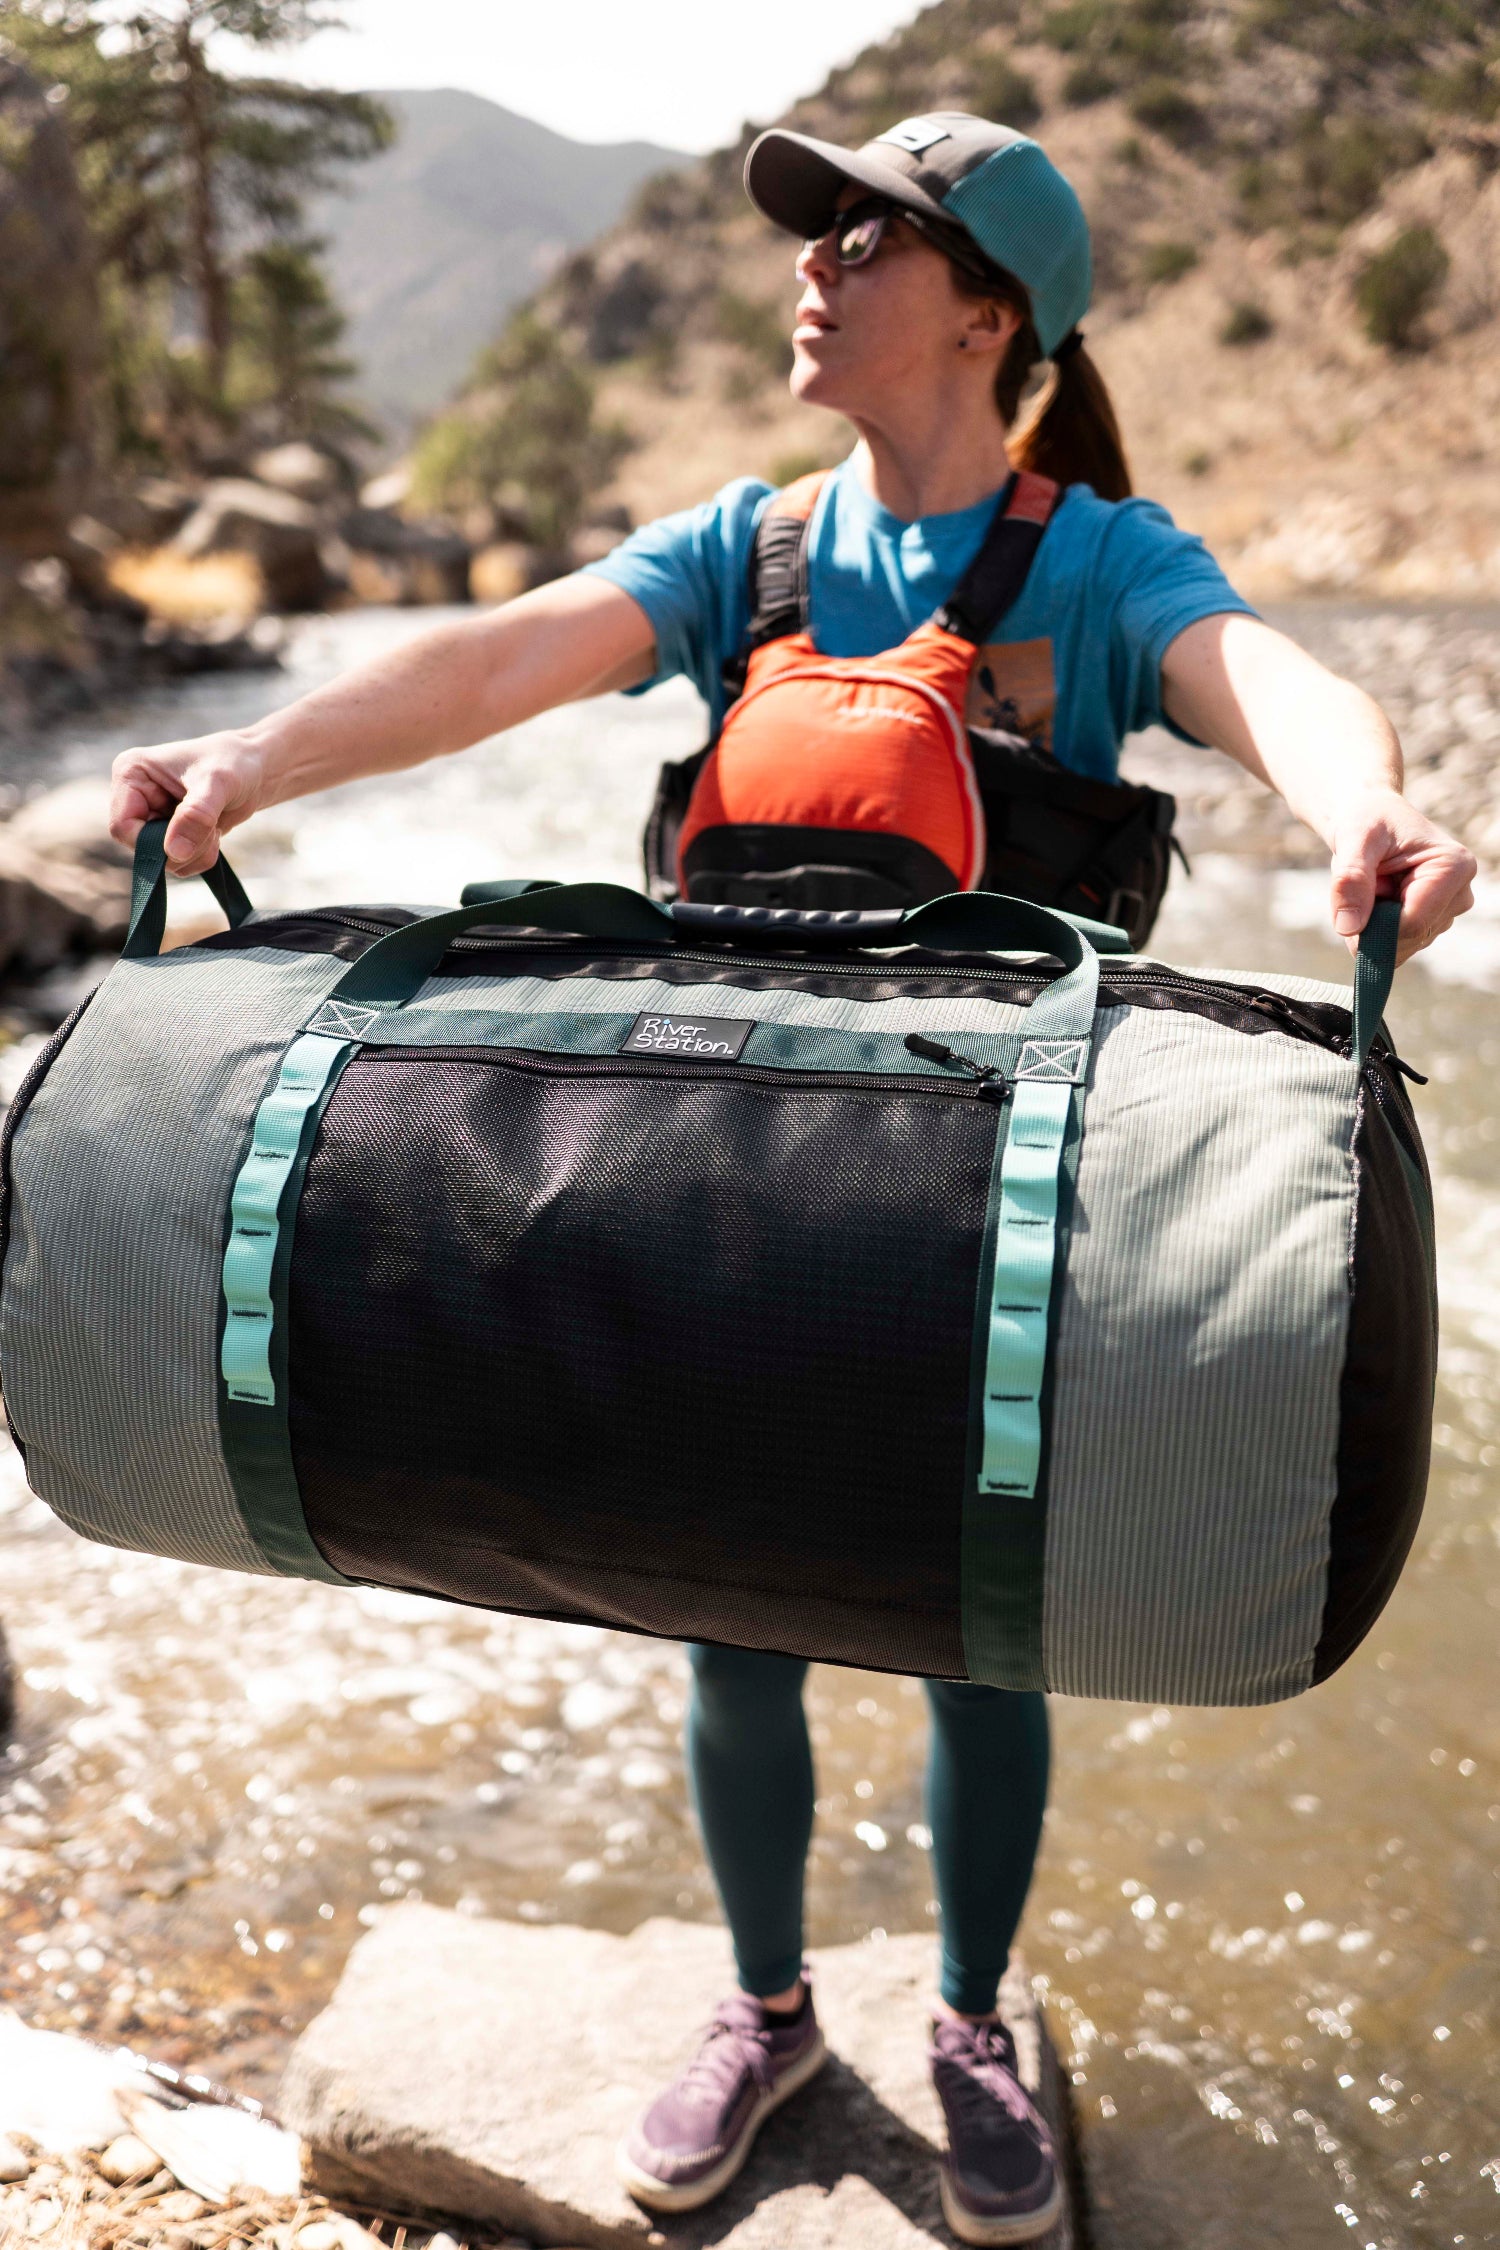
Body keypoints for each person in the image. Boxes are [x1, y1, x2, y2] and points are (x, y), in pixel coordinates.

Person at [110, 112, 1474, 2248]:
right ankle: (764, 2011)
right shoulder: (739, 556)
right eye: (812, 233)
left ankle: (970, 2019)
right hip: (730, 1185)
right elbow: (497, 659)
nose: (812, 267)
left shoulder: (1099, 566)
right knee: (716, 1615)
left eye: (867, 239)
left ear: (991, 316)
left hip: (988, 1220)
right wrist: (253, 761)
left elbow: (1266, 683)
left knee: (984, 1640)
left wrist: (1367, 807)